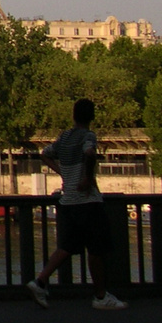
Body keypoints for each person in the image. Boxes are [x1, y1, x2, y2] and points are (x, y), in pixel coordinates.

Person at [26, 98, 127, 310]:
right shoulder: (88, 136)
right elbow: (89, 152)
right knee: (96, 249)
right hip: (88, 202)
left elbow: (44, 154)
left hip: (68, 200)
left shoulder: (65, 137)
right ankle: (100, 296)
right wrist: (88, 177)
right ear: (92, 117)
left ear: (73, 115)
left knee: (67, 246)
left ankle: (40, 281)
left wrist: (62, 172)